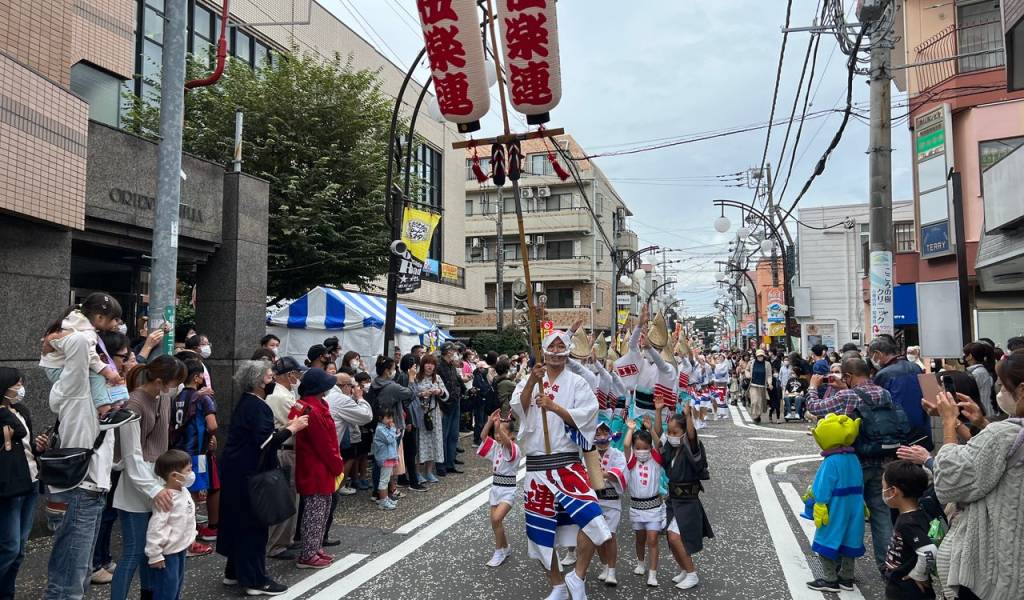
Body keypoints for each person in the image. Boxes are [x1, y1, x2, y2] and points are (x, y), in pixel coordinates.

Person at [512, 330, 612, 600]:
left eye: (561, 346)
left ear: (567, 351)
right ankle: (556, 585)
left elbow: (588, 416)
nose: (556, 351)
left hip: (567, 464)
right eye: (551, 346)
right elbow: (518, 410)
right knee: (541, 533)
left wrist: (554, 407)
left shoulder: (578, 383)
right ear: (544, 350)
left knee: (594, 521)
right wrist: (533, 383)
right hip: (537, 468)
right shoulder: (530, 379)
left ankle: (577, 576)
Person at [927, 350, 1024, 600]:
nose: (999, 391)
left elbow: (951, 484)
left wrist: (949, 423)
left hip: (999, 571)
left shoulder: (1002, 434)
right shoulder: (1005, 433)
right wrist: (981, 424)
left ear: (1022, 390)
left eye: (1003, 386)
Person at [216, 361, 309, 597]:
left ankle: (234, 571)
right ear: (258, 382)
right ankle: (255, 580)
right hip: (251, 474)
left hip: (235, 472)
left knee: (238, 524)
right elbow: (266, 442)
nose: (272, 380)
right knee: (254, 527)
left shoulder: (246, 403)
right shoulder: (259, 407)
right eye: (269, 377)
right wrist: (293, 428)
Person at [806, 357, 907, 570]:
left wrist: (813, 387)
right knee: (881, 515)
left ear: (848, 376)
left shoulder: (846, 395)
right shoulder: (883, 393)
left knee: (844, 513)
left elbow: (814, 408)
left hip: (854, 464)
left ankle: (839, 569)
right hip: (884, 461)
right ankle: (887, 566)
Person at [111, 355, 189, 600]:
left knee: (153, 551)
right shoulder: (133, 404)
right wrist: (156, 490)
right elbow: (132, 455)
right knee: (134, 552)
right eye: (175, 382)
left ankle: (150, 594)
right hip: (137, 485)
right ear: (159, 380)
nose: (177, 387)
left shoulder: (163, 396)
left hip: (158, 480)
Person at [40, 294, 129, 427]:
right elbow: (91, 356)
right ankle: (105, 413)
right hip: (59, 370)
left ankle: (110, 408)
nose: (117, 324)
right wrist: (108, 372)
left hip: (55, 367)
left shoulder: (77, 320)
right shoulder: (86, 334)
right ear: (99, 318)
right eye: (115, 319)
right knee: (96, 375)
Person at [802, 413, 866, 593]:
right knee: (850, 539)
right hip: (854, 504)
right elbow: (860, 483)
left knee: (827, 538)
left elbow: (822, 487)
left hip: (835, 506)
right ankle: (846, 577)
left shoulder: (831, 461)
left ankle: (830, 579)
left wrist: (820, 505)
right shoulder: (853, 458)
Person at [652, 401, 711, 591]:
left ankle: (692, 574)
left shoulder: (690, 447)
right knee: (671, 537)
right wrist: (658, 411)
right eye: (671, 432)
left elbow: (693, 437)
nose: (671, 436)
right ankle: (684, 570)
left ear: (684, 432)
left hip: (688, 500)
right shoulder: (670, 449)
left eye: (676, 432)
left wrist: (688, 416)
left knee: (677, 537)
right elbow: (659, 441)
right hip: (674, 499)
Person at [289, 368, 344, 569]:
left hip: (319, 466)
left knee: (321, 509)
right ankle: (308, 553)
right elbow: (323, 444)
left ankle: (314, 547)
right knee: (316, 511)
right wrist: (337, 464)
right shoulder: (312, 409)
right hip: (317, 467)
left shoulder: (311, 405)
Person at [0, 368, 44, 599]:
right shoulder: (4, 413)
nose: (20, 388)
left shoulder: (21, 410)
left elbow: (24, 442)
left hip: (31, 479)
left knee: (20, 550)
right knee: (9, 546)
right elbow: (16, 432)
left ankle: (7, 593)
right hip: (10, 485)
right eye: (16, 384)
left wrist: (38, 446)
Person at [264, 357, 304, 560]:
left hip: (287, 448)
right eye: (297, 373)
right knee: (286, 497)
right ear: (289, 375)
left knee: (290, 496)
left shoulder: (284, 393)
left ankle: (284, 541)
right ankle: (277, 545)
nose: (298, 377)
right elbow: (294, 422)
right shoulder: (280, 396)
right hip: (285, 449)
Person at [145, 450, 198, 600]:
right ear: (174, 476)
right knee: (166, 589)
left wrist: (191, 536)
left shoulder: (184, 491)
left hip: (180, 549)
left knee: (177, 585)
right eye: (188, 470)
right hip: (167, 554)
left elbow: (188, 518)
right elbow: (156, 527)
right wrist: (155, 554)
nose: (191, 473)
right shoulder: (167, 498)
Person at [880, 460, 936, 600]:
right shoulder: (919, 514)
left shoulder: (908, 523)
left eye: (883, 487)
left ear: (893, 491)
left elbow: (929, 550)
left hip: (906, 589)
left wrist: (919, 574)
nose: (882, 491)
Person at [368, 356, 422, 492]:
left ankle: (383, 490)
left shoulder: (375, 383)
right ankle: (383, 493)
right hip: (393, 425)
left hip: (379, 424)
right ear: (387, 371)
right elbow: (411, 394)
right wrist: (411, 378)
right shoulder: (391, 386)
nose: (395, 371)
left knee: (379, 459)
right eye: (393, 369)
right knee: (388, 461)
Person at [623, 418, 666, 588]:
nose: (641, 451)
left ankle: (653, 573)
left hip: (653, 506)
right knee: (640, 539)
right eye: (638, 448)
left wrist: (651, 430)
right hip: (636, 506)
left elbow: (660, 446)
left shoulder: (655, 460)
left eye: (645, 448)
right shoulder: (631, 462)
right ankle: (640, 563)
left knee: (653, 539)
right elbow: (626, 446)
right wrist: (630, 429)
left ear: (650, 448)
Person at [869, 336, 931, 450]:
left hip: (898, 431)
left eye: (871, 355)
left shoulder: (883, 375)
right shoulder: (916, 367)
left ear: (878, 354)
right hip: (921, 429)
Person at [477, 409, 521, 568]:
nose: (498, 435)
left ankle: (499, 551)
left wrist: (498, 428)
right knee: (495, 524)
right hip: (495, 488)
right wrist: (490, 422)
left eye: (503, 432)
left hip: (508, 490)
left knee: (497, 519)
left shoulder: (513, 448)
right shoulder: (496, 447)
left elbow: (507, 442)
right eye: (497, 433)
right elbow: (482, 437)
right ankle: (506, 547)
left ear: (511, 435)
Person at [328, 371, 372, 497]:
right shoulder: (341, 399)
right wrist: (360, 398)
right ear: (344, 386)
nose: (353, 389)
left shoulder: (329, 394)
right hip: (334, 443)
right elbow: (366, 416)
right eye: (351, 386)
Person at [593, 422, 625, 587]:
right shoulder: (589, 454)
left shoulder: (617, 454)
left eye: (605, 433)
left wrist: (602, 473)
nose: (602, 437)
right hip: (594, 499)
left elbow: (618, 474)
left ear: (610, 435)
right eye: (598, 434)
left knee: (610, 536)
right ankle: (604, 566)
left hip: (612, 500)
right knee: (598, 536)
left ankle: (612, 571)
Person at [411, 354, 447, 483]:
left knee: (433, 441)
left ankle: (429, 471)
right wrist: (422, 394)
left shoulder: (436, 378)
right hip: (420, 413)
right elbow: (411, 394)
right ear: (422, 365)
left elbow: (445, 394)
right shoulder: (416, 378)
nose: (430, 366)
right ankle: (416, 472)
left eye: (432, 364)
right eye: (427, 363)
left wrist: (439, 392)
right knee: (419, 442)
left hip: (434, 413)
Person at [436, 344, 464, 476]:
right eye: (453, 350)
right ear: (447, 352)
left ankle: (450, 462)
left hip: (455, 402)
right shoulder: (439, 366)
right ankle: (441, 465)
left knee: (453, 435)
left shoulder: (452, 365)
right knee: (444, 435)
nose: (455, 352)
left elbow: (457, 382)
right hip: (444, 405)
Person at [371, 408, 400, 510]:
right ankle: (383, 501)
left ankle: (385, 498)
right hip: (385, 458)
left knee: (386, 479)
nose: (390, 420)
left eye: (391, 417)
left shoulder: (385, 428)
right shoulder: (380, 429)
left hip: (389, 457)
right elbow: (389, 439)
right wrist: (393, 430)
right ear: (380, 418)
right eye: (388, 418)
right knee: (383, 480)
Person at [962, 342, 997, 418]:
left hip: (982, 412)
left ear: (970, 356)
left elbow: (967, 390)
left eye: (965, 354)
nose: (964, 357)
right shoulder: (982, 371)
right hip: (985, 410)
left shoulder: (977, 373)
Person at [744, 349, 774, 423]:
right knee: (755, 401)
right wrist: (748, 375)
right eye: (759, 356)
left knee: (760, 402)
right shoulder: (751, 363)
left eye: (761, 355)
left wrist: (770, 383)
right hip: (753, 385)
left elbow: (769, 375)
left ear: (764, 356)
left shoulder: (767, 364)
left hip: (762, 386)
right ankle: (755, 415)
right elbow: (746, 370)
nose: (760, 357)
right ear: (756, 356)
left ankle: (758, 415)